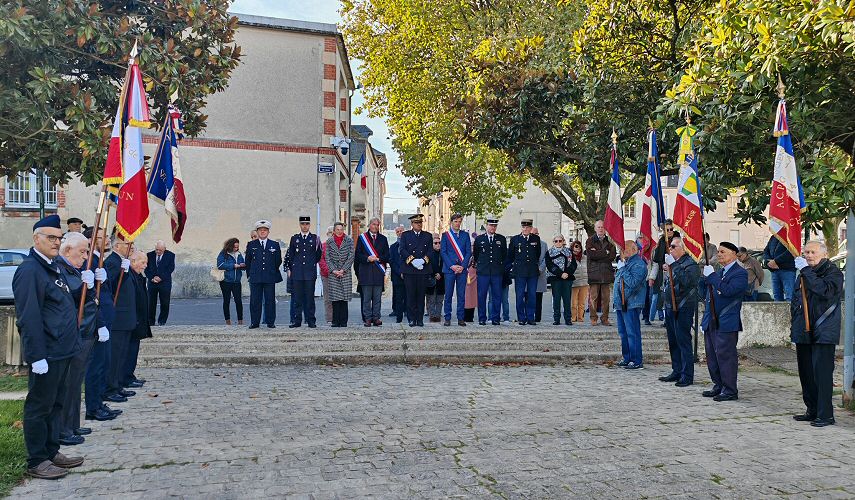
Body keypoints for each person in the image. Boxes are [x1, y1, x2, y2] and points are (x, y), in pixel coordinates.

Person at [12, 214, 85, 479]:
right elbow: (29, 316)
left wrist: (84, 283)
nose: (56, 242)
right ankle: (37, 460)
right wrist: (36, 355)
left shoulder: (53, 266)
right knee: (39, 406)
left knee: (56, 404)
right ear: (36, 239)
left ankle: (51, 451)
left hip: (63, 349)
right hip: (48, 352)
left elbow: (62, 302)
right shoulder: (30, 269)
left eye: (59, 237)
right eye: (51, 238)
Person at [56, 232, 107, 446]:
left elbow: (91, 301)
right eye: (83, 252)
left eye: (87, 251)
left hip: (85, 331)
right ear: (68, 251)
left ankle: (73, 424)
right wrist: (82, 286)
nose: (86, 257)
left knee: (76, 383)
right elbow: (67, 300)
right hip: (75, 332)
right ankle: (64, 429)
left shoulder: (74, 269)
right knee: (68, 384)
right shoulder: (61, 269)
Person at [791, 241, 843, 427]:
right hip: (804, 330)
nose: (809, 255)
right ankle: (812, 410)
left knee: (821, 375)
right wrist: (795, 329)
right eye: (806, 252)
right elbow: (796, 301)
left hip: (823, 330)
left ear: (824, 254)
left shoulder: (833, 272)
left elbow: (824, 291)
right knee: (806, 374)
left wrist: (806, 271)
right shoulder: (804, 273)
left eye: (813, 252)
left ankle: (826, 414)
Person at [82, 227, 121, 422]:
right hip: (98, 321)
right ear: (90, 240)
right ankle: (93, 407)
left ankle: (98, 403)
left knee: (102, 364)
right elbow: (91, 298)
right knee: (95, 366)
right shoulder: (89, 262)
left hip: (105, 319)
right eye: (101, 237)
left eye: (107, 236)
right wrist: (100, 323)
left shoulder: (99, 260)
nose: (107, 240)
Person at [700, 241, 748, 401]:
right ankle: (718, 385)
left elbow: (729, 291)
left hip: (726, 320)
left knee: (725, 356)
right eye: (718, 251)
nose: (719, 254)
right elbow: (706, 295)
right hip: (712, 319)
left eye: (723, 252)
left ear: (734, 254)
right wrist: (705, 277)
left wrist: (712, 277)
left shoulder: (740, 273)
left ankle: (730, 390)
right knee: (712, 355)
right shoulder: (720, 272)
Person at [659, 235, 700, 387]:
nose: (670, 249)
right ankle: (676, 370)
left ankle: (687, 375)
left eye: (673, 247)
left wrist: (673, 266)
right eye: (670, 247)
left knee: (683, 341)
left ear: (683, 249)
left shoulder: (691, 264)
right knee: (673, 341)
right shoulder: (674, 263)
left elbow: (687, 282)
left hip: (683, 306)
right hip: (671, 305)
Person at [104, 238, 135, 404]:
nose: (132, 248)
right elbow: (111, 286)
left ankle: (117, 385)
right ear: (117, 246)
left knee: (121, 355)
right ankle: (110, 388)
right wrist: (121, 272)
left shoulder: (121, 261)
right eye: (128, 244)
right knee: (114, 356)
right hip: (118, 317)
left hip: (124, 317)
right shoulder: (112, 262)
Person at [613, 241, 647, 369]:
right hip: (622, 303)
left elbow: (633, 283)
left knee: (632, 332)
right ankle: (627, 357)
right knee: (623, 333)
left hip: (631, 302)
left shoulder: (638, 264)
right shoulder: (627, 263)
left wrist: (622, 269)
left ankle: (636, 359)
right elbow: (618, 282)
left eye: (625, 249)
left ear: (634, 249)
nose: (622, 251)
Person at [245, 220, 283, 329]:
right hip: (255, 277)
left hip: (269, 276)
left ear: (268, 232)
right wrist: (250, 275)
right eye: (260, 230)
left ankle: (270, 322)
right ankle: (254, 322)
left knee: (270, 300)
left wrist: (271, 271)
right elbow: (248, 261)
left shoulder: (274, 244)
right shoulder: (251, 244)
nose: (262, 232)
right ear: (257, 231)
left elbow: (278, 261)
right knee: (255, 301)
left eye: (265, 230)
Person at [285, 216, 322, 328]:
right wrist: (291, 269)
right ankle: (297, 321)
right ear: (300, 225)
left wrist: (310, 265)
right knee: (297, 298)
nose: (304, 226)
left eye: (306, 224)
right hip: (297, 273)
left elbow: (318, 255)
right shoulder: (294, 238)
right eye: (302, 224)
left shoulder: (315, 238)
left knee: (310, 298)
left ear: (309, 225)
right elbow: (291, 255)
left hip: (309, 273)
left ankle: (311, 320)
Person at [123, 251, 152, 391]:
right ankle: (126, 377)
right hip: (132, 320)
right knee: (129, 351)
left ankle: (129, 375)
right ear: (133, 261)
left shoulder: (138, 276)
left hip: (138, 320)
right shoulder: (129, 275)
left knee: (133, 350)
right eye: (143, 262)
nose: (145, 266)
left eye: (146, 262)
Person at [355, 218, 390, 327]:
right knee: (366, 299)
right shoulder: (362, 238)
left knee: (377, 298)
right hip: (365, 273)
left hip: (378, 273)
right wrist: (367, 258)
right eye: (374, 224)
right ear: (369, 225)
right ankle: (367, 318)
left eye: (377, 224)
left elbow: (387, 255)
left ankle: (376, 318)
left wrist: (378, 259)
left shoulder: (383, 239)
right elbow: (357, 255)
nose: (376, 226)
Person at [399, 215, 433, 327]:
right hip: (410, 270)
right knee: (410, 295)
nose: (419, 224)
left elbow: (430, 251)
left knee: (420, 295)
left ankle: (420, 319)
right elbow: (402, 250)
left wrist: (422, 261)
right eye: (416, 223)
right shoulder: (405, 235)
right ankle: (411, 319)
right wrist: (412, 261)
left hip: (423, 270)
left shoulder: (427, 236)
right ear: (412, 224)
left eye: (420, 222)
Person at [507, 219, 541, 325]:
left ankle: (530, 317)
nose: (525, 229)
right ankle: (521, 317)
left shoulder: (536, 238)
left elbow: (537, 254)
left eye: (527, 227)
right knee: (520, 295)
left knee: (532, 295)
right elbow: (511, 255)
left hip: (532, 271)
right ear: (521, 228)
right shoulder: (515, 239)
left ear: (531, 228)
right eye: (523, 227)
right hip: (519, 272)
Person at [473, 218, 507, 325]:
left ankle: (495, 318)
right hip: (483, 272)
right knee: (482, 296)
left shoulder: (501, 239)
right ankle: (482, 318)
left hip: (496, 272)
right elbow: (476, 255)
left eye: (495, 226)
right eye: (491, 225)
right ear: (487, 226)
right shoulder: (479, 239)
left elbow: (504, 255)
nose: (493, 227)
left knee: (497, 296)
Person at [440, 213, 471, 326]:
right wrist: (452, 266)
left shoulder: (465, 235)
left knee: (461, 295)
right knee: (448, 294)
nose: (458, 224)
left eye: (459, 222)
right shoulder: (446, 235)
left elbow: (468, 252)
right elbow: (443, 252)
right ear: (451, 222)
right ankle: (447, 317)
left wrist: (463, 266)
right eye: (455, 221)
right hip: (449, 269)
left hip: (462, 269)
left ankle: (460, 318)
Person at [586, 220, 617, 326]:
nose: (601, 229)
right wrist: (605, 252)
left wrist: (599, 253)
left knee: (606, 298)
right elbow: (591, 255)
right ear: (595, 228)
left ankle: (605, 318)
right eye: (598, 227)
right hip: (594, 273)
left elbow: (612, 256)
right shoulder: (590, 241)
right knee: (593, 298)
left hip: (606, 273)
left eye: (602, 227)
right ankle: (593, 318)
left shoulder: (610, 242)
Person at [325, 222, 354, 327]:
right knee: (335, 299)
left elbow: (351, 256)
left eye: (341, 229)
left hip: (345, 273)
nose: (339, 231)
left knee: (344, 299)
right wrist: (334, 270)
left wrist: (343, 270)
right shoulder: (329, 242)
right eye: (337, 229)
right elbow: (327, 257)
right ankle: (335, 321)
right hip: (334, 274)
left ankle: (343, 321)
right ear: (334, 231)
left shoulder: (349, 241)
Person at [651, 221, 678, 327]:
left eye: (671, 229)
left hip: (677, 269)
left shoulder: (678, 239)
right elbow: (657, 257)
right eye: (667, 230)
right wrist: (662, 264)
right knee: (665, 295)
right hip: (665, 271)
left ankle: (675, 319)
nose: (670, 231)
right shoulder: (661, 241)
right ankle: (667, 320)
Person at [546, 234, 576, 326]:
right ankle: (556, 319)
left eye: (560, 241)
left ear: (563, 241)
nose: (558, 243)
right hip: (555, 278)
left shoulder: (569, 251)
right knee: (556, 299)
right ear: (553, 242)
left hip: (567, 278)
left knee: (567, 299)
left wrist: (567, 273)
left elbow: (573, 264)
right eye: (556, 241)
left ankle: (568, 319)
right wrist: (560, 273)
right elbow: (550, 265)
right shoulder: (549, 252)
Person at [145, 240, 175, 326]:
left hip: (165, 283)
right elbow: (146, 268)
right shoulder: (149, 255)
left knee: (165, 303)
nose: (158, 252)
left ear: (164, 249)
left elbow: (170, 268)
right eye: (156, 249)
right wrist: (152, 278)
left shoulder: (170, 255)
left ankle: (162, 321)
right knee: (151, 303)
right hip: (152, 283)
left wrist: (160, 277)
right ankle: (151, 321)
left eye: (160, 250)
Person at [216, 238, 245, 325]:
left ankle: (240, 321)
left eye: (237, 247)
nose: (236, 248)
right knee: (226, 300)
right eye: (235, 247)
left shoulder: (239, 254)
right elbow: (220, 265)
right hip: (226, 281)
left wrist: (243, 265)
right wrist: (233, 266)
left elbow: (242, 264)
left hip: (236, 281)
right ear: (230, 246)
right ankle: (227, 321)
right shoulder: (223, 254)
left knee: (238, 301)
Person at [763, 234, 796, 301]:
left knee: (789, 296)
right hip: (774, 271)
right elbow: (766, 251)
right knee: (776, 295)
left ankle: (790, 311)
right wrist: (768, 262)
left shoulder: (790, 235)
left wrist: (775, 261)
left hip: (787, 270)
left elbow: (791, 251)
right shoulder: (773, 237)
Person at [388, 225, 407, 323]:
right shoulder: (393, 247)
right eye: (398, 232)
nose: (400, 233)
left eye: (401, 231)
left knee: (408, 294)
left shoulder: (409, 245)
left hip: (407, 274)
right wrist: (399, 272)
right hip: (396, 275)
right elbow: (391, 261)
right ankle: (396, 311)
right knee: (397, 295)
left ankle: (407, 311)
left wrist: (405, 271)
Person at [531, 227, 549, 323]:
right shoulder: (527, 243)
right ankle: (528, 317)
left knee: (538, 298)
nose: (535, 236)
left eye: (536, 234)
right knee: (528, 298)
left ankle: (538, 318)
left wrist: (540, 269)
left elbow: (546, 259)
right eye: (533, 234)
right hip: (529, 274)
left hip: (539, 275)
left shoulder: (544, 244)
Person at [425, 235, 445, 322]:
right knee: (431, 299)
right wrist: (434, 274)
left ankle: (438, 315)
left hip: (442, 279)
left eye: (439, 243)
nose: (438, 245)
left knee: (440, 299)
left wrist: (440, 273)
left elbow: (446, 265)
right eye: (435, 243)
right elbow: (426, 266)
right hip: (431, 279)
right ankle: (432, 316)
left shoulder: (443, 253)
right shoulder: (428, 254)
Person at [570, 240, 588, 324]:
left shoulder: (585, 258)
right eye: (575, 247)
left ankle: (580, 317)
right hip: (574, 283)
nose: (577, 249)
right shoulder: (569, 258)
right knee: (573, 302)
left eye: (579, 247)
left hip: (584, 283)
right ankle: (573, 317)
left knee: (582, 303)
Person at [320, 226, 334, 325]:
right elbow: (321, 260)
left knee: (339, 299)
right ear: (327, 234)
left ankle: (338, 318)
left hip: (339, 275)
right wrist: (330, 271)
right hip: (326, 275)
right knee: (328, 299)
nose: (332, 235)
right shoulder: (322, 246)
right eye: (330, 233)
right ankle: (329, 318)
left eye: (333, 233)